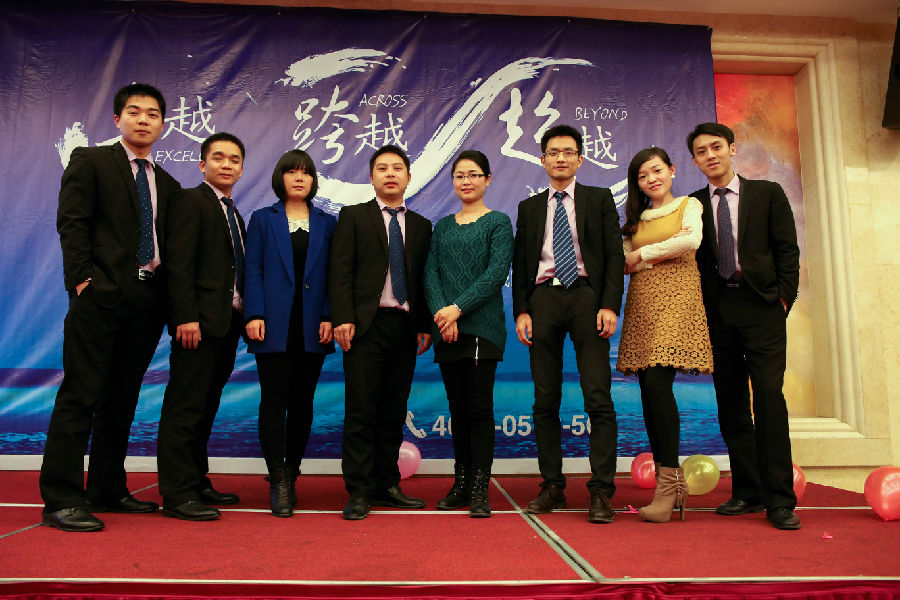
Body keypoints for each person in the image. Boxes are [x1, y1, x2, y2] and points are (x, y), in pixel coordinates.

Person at [40, 83, 181, 532]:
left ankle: (106, 488)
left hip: (147, 301)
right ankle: (62, 497)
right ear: (118, 119)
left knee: (121, 400)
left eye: (153, 114)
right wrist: (83, 282)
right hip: (99, 296)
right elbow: (72, 223)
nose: (143, 120)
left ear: (163, 125)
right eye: (134, 112)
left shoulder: (168, 183)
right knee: (81, 395)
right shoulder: (91, 161)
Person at [687, 122, 801, 530]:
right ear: (695, 160)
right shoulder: (693, 205)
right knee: (731, 403)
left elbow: (787, 250)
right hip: (718, 311)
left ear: (732, 149)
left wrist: (783, 299)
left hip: (762, 308)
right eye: (701, 151)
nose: (710, 155)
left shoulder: (767, 194)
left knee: (768, 397)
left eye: (716, 147)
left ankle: (780, 500)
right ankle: (748, 492)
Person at [511, 125, 624, 523]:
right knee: (545, 399)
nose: (561, 158)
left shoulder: (599, 199)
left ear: (580, 158)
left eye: (569, 152)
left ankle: (601, 491)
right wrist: (522, 310)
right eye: (554, 152)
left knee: (598, 395)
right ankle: (552, 486)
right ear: (542, 159)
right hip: (543, 299)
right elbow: (521, 262)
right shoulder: (529, 208)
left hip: (587, 298)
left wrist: (609, 305)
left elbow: (614, 255)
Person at [329, 144, 433, 520]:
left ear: (409, 177)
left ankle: (386, 483)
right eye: (382, 168)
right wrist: (343, 317)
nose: (390, 174)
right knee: (361, 410)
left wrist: (424, 324)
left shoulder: (421, 225)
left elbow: (423, 280)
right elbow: (340, 270)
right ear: (371, 177)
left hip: (404, 326)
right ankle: (358, 490)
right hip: (364, 326)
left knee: (393, 410)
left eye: (397, 168)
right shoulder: (354, 216)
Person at [616, 147, 713, 523]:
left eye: (656, 171)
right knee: (647, 390)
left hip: (678, 299)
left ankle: (668, 485)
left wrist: (645, 255)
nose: (651, 179)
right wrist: (650, 256)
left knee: (657, 385)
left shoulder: (689, 205)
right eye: (642, 176)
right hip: (643, 303)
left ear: (671, 170)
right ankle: (671, 484)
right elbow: (625, 261)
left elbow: (690, 241)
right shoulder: (634, 219)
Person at [156, 132, 247, 521]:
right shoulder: (191, 201)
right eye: (219, 157)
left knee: (206, 406)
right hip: (197, 325)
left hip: (225, 325)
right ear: (202, 164)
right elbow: (178, 264)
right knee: (185, 406)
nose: (227, 165)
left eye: (234, 160)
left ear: (241, 169)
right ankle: (177, 493)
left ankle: (196, 480)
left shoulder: (233, 212)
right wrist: (185, 316)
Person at [244, 150, 336, 518]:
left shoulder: (328, 222)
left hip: (313, 327)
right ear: (280, 177)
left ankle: (292, 472)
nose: (299, 178)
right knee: (273, 401)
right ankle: (277, 478)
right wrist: (254, 313)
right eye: (292, 172)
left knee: (302, 403)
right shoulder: (262, 219)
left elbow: (334, 274)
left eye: (306, 173)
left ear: (313, 180)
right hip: (272, 326)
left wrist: (329, 314)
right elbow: (252, 269)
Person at [424, 150, 514, 518]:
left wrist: (457, 309)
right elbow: (430, 274)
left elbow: (495, 275)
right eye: (460, 175)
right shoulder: (443, 227)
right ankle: (460, 483)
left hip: (482, 329)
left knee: (478, 409)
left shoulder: (498, 222)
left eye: (474, 174)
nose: (466, 181)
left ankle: (480, 487)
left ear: (487, 180)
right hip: (447, 330)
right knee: (457, 410)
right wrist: (443, 315)